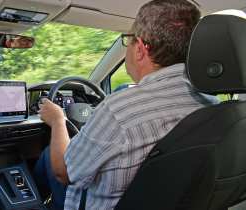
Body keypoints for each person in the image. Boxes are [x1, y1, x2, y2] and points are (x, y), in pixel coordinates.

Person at [34, 0, 219, 209]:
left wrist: (58, 120)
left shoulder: (120, 110)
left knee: (49, 156)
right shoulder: (211, 104)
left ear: (139, 48)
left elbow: (63, 172)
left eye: (128, 40)